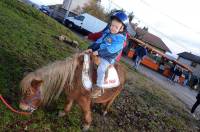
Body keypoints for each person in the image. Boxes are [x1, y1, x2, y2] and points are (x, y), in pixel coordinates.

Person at [85, 11, 128, 98]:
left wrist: (99, 52)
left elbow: (111, 50)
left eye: (116, 27)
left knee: (101, 69)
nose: (113, 28)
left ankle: (99, 87)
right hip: (98, 52)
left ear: (121, 29)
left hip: (107, 57)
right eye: (112, 25)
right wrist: (92, 48)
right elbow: (99, 41)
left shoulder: (119, 40)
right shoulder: (107, 33)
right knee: (84, 57)